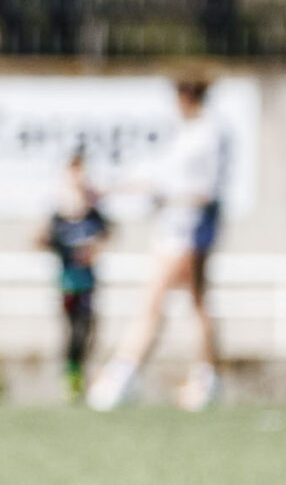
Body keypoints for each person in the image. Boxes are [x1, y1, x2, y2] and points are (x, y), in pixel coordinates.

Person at [86, 79, 227, 412]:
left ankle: (124, 374)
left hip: (188, 231)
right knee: (190, 304)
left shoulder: (209, 134)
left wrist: (166, 197)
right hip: (172, 230)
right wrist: (114, 189)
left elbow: (203, 191)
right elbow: (161, 181)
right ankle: (203, 377)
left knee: (158, 302)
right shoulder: (187, 133)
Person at [39, 149, 107, 401]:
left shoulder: (92, 213)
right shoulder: (59, 214)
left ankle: (80, 374)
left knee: (87, 329)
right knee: (73, 330)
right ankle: (71, 375)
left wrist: (93, 249)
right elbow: (42, 239)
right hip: (68, 281)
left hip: (88, 281)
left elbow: (106, 236)